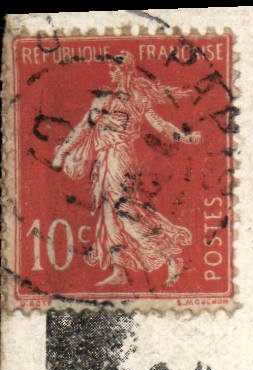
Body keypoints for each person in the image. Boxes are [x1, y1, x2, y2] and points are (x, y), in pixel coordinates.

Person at [51, 56, 200, 287]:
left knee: (124, 211)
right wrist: (63, 152)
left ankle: (170, 255)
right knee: (109, 215)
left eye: (116, 68)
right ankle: (119, 270)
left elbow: (159, 124)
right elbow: (83, 127)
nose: (111, 72)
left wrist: (184, 137)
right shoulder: (104, 97)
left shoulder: (135, 98)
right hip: (104, 159)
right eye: (110, 67)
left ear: (127, 70)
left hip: (120, 158)